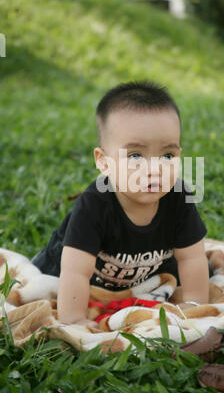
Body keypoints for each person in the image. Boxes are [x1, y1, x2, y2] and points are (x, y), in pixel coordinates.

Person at [31, 80, 212, 328]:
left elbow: (192, 259)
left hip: (143, 272)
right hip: (76, 271)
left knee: (205, 270)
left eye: (167, 155)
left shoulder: (178, 197)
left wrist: (194, 307)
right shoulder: (95, 204)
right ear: (104, 162)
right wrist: (74, 321)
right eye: (136, 155)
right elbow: (75, 272)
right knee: (42, 285)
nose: (155, 169)